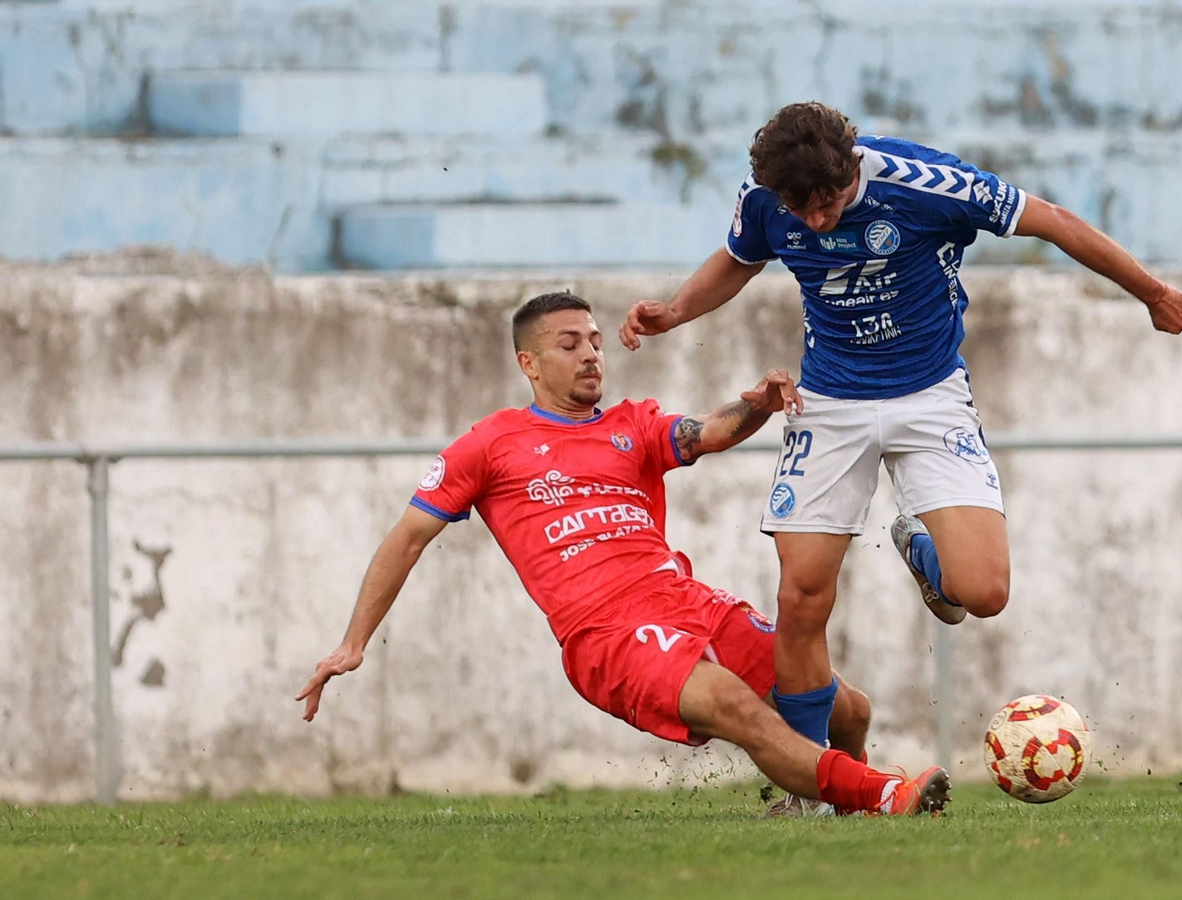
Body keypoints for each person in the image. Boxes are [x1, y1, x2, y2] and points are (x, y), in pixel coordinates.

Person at [618, 102, 1182, 761]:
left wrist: (1152, 293)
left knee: (983, 593)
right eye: (802, 213)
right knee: (802, 596)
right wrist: (673, 311)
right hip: (829, 404)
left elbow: (1055, 222)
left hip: (930, 397)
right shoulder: (766, 197)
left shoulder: (926, 184)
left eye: (829, 204)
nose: (816, 223)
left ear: (852, 171)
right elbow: (739, 258)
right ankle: (813, 778)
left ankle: (919, 546)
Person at [296, 290, 950, 816]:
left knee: (848, 710)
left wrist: (754, 406)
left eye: (596, 343)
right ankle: (882, 793)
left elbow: (709, 433)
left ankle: (826, 803)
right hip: (607, 633)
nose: (590, 356)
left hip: (688, 601)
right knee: (739, 710)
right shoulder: (491, 445)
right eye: (569, 344)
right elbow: (406, 536)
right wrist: (354, 642)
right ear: (529, 363)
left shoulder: (630, 425)